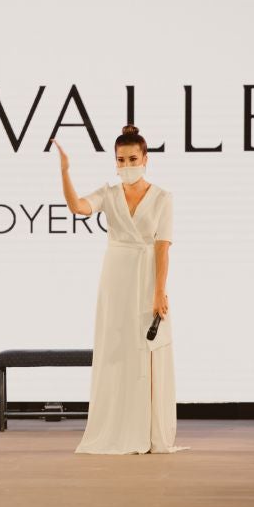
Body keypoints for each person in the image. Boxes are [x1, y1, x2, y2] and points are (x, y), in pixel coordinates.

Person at [54, 125, 186, 455]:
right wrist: (65, 171)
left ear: (145, 159)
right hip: (116, 278)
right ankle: (118, 427)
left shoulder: (163, 198)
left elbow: (163, 248)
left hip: (147, 278)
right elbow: (78, 207)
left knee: (147, 350)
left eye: (133, 159)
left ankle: (147, 430)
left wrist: (159, 292)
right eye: (121, 160)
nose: (127, 166)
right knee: (116, 349)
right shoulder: (109, 194)